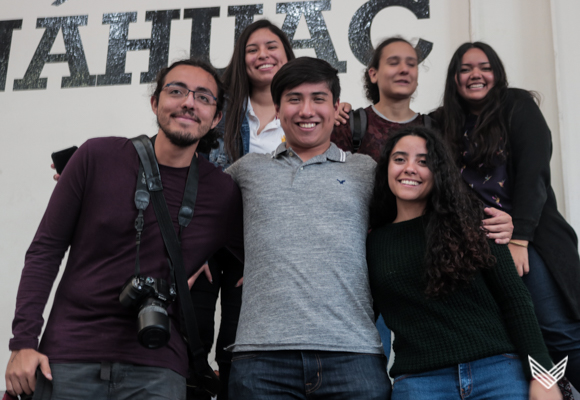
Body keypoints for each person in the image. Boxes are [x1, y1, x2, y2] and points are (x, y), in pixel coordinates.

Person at [5, 58, 243, 400]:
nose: (189, 102)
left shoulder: (222, 192)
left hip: (158, 370)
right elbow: (45, 249)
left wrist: (206, 253)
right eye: (176, 91)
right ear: (155, 102)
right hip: (67, 358)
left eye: (204, 97)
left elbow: (266, 252)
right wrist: (23, 342)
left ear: (216, 117)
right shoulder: (96, 156)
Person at [225, 57, 390, 399]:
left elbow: (419, 218)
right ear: (277, 107)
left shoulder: (366, 171)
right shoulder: (248, 170)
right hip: (262, 358)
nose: (306, 110)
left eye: (318, 98)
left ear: (335, 107)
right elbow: (196, 208)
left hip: (352, 353)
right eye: (294, 99)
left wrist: (510, 224)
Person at [366, 126, 561, 399]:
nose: (410, 168)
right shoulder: (373, 244)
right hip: (421, 383)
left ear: (439, 172)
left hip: (498, 372)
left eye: (424, 161)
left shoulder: (476, 224)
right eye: (400, 159)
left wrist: (543, 375)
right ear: (386, 167)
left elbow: (515, 300)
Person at [432, 41, 580, 387]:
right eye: (465, 69)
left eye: (484, 67)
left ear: (497, 74)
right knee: (508, 342)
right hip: (472, 248)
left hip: (528, 241)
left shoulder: (517, 105)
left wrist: (519, 237)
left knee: (558, 333)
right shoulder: (441, 122)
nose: (475, 75)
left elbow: (534, 175)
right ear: (454, 78)